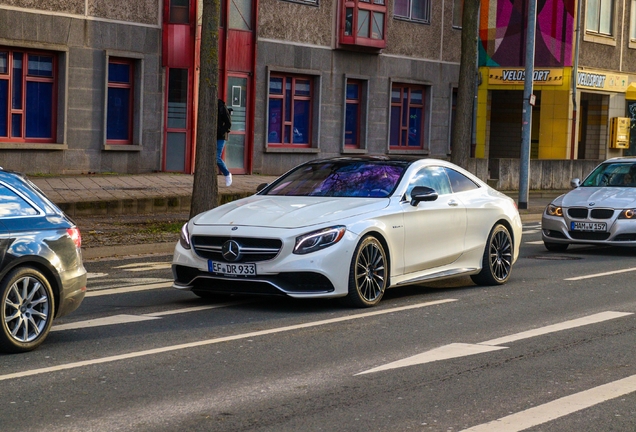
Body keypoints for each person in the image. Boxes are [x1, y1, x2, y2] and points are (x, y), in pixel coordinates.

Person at [217, 99, 232, 187]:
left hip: (221, 136)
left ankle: (227, 174)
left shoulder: (222, 107)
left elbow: (228, 123)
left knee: (216, 157)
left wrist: (222, 131)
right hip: (212, 136)